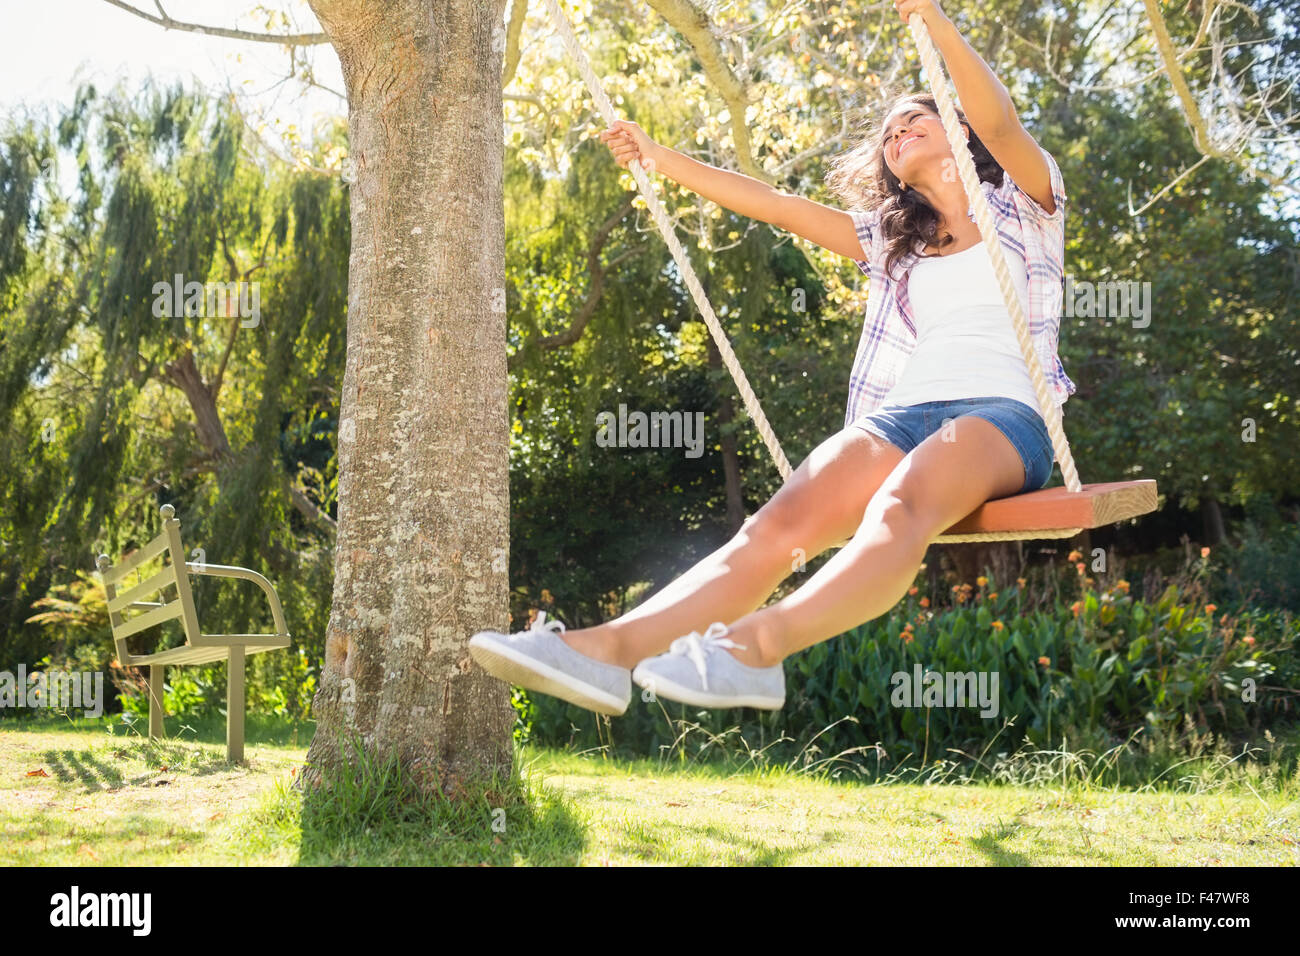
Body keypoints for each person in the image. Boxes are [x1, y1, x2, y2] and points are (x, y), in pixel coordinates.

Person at [468, 0, 1074, 715]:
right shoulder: (893, 245)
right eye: (889, 135)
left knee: (901, 505)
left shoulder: (1028, 205)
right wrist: (659, 159)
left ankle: (753, 650)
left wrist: (934, 22)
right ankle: (602, 654)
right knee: (775, 530)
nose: (899, 133)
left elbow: (1001, 122)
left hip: (1001, 416)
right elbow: (778, 205)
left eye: (917, 118)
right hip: (903, 414)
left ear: (958, 127)